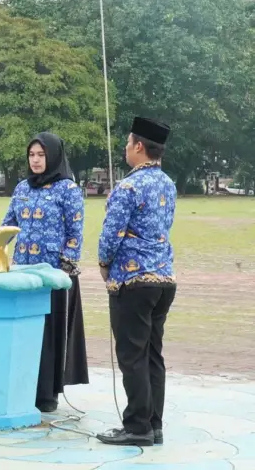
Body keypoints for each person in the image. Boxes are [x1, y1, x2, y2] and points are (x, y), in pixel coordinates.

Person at [95, 117, 176, 447]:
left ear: (139, 147)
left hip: (133, 279)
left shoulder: (127, 187)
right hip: (164, 279)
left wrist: (103, 265)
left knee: (132, 355)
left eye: (128, 144)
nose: (126, 149)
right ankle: (154, 425)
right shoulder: (168, 184)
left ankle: (137, 426)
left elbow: (110, 235)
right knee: (153, 354)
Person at [2, 132, 89, 413]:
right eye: (32, 155)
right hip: (23, 274)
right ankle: (22, 389)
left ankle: (46, 395)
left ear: (52, 157)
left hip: (53, 276)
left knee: (49, 336)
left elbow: (75, 233)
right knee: (24, 333)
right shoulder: (22, 189)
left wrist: (64, 268)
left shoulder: (68, 190)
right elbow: (7, 227)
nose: (36, 160)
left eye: (41, 155)